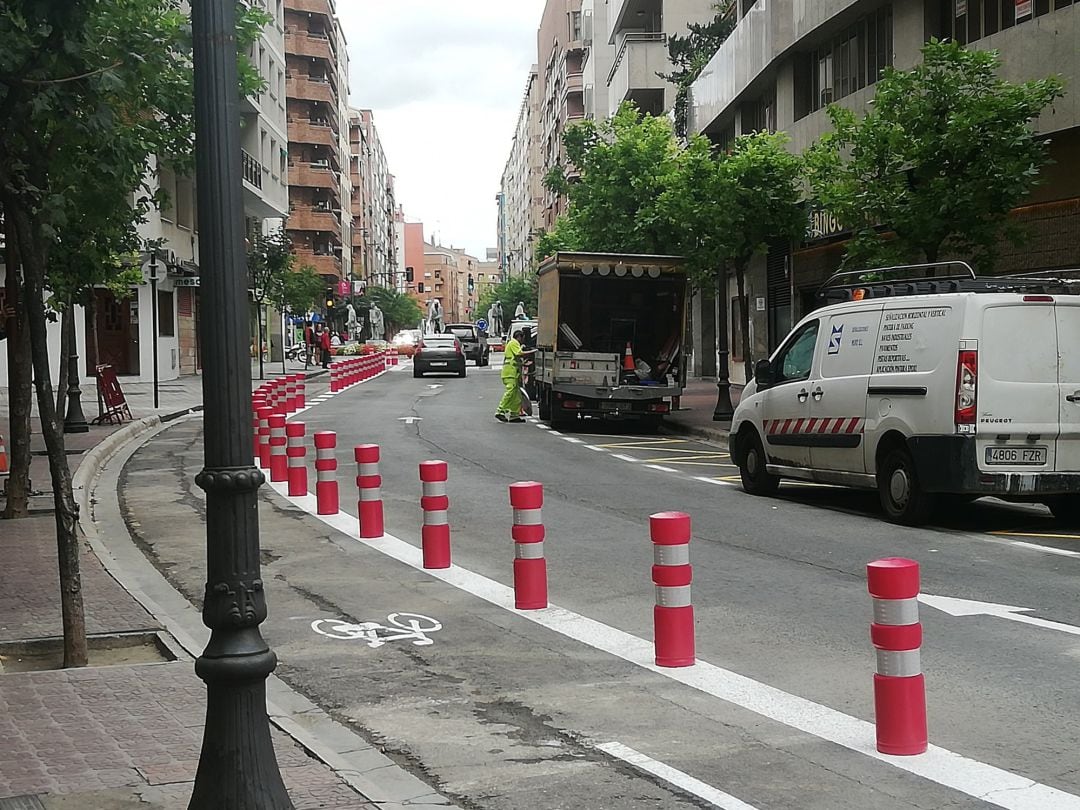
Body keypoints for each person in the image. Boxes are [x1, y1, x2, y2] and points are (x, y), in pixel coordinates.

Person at [495, 328, 532, 423]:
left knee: (517, 396)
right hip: (510, 373)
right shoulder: (514, 343)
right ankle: (500, 411)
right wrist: (533, 352)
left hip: (513, 373)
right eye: (522, 338)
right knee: (510, 392)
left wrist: (523, 364)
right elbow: (519, 353)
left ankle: (514, 415)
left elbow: (516, 359)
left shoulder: (512, 344)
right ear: (519, 337)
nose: (522, 340)